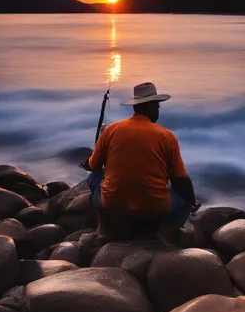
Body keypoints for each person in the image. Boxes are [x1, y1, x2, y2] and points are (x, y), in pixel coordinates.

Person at [84, 82, 199, 239]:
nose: (158, 111)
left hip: (114, 204)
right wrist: (192, 199)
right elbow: (180, 180)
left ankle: (102, 230)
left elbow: (93, 166)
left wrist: (90, 163)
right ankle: (163, 236)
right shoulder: (167, 136)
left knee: (93, 177)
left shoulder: (111, 130)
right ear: (149, 107)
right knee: (186, 198)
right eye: (157, 107)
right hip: (154, 208)